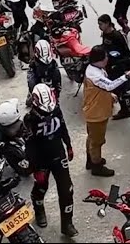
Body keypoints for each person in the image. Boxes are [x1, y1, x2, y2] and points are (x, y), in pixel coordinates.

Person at [25, 83, 77, 237]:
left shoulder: (56, 109)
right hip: (41, 160)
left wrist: (68, 145)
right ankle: (38, 208)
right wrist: (35, 169)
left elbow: (62, 127)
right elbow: (30, 146)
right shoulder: (30, 119)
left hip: (58, 154)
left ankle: (67, 224)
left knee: (67, 190)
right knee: (42, 186)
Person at [82, 49, 130, 177]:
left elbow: (101, 87)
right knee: (97, 141)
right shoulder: (95, 74)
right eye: (105, 57)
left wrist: (109, 95)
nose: (107, 58)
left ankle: (91, 160)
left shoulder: (95, 69)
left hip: (95, 109)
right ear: (99, 60)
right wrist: (126, 76)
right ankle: (96, 166)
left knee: (92, 137)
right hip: (96, 113)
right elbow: (110, 85)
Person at [96, 15, 130, 121]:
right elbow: (105, 47)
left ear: (107, 23)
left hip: (118, 66)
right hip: (109, 65)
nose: (99, 27)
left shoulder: (117, 36)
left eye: (101, 24)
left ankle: (125, 110)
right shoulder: (105, 34)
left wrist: (122, 65)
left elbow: (126, 52)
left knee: (119, 88)